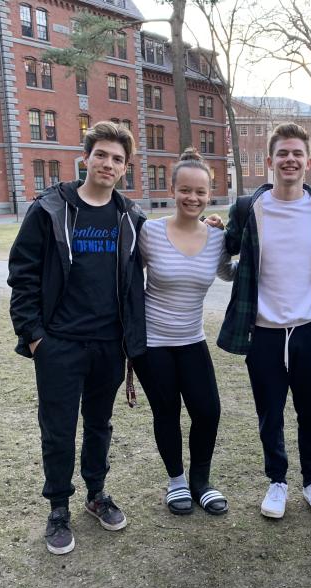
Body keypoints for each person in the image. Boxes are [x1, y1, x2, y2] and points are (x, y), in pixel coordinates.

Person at [8, 121, 146, 555]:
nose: (108, 164)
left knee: (99, 425)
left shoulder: (129, 216)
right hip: (59, 345)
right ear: (86, 157)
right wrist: (34, 337)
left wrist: (207, 225)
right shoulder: (50, 209)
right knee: (58, 429)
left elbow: (163, 253)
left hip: (108, 345)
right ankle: (58, 509)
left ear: (126, 168)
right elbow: (22, 274)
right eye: (101, 155)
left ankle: (95, 494)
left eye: (117, 159)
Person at [217, 123, 311, 520]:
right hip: (264, 334)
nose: (290, 160)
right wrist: (234, 259)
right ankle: (277, 481)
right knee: (269, 413)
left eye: (297, 154)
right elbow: (225, 262)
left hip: (310, 330)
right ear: (270, 161)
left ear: (308, 161)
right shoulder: (247, 207)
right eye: (282, 154)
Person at [131, 148, 235, 516]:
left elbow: (229, 274)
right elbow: (124, 278)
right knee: (167, 412)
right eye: (185, 190)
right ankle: (176, 481)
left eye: (200, 192)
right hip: (153, 343)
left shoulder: (217, 238)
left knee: (208, 411)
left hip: (192, 339)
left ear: (210, 194)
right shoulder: (149, 232)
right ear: (172, 191)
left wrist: (263, 260)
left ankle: (200, 482)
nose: (193, 198)